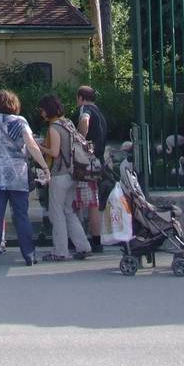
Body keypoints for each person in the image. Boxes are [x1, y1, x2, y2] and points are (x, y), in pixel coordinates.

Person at [0, 89, 48, 267]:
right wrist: (44, 165)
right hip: (17, 176)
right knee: (21, 215)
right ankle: (29, 255)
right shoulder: (20, 122)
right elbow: (32, 145)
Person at [39, 93, 92, 261]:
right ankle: (83, 246)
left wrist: (39, 148)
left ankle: (61, 251)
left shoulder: (54, 127)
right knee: (69, 211)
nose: (41, 114)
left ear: (48, 110)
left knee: (56, 213)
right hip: (73, 173)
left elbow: (54, 152)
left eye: (42, 110)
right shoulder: (67, 123)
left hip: (59, 174)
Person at [76, 85, 110, 253]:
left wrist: (80, 138)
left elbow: (84, 120)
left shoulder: (85, 108)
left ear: (81, 97)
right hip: (100, 160)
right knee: (94, 202)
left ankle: (78, 238)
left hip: (87, 161)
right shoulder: (100, 113)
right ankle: (97, 241)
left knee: (81, 201)